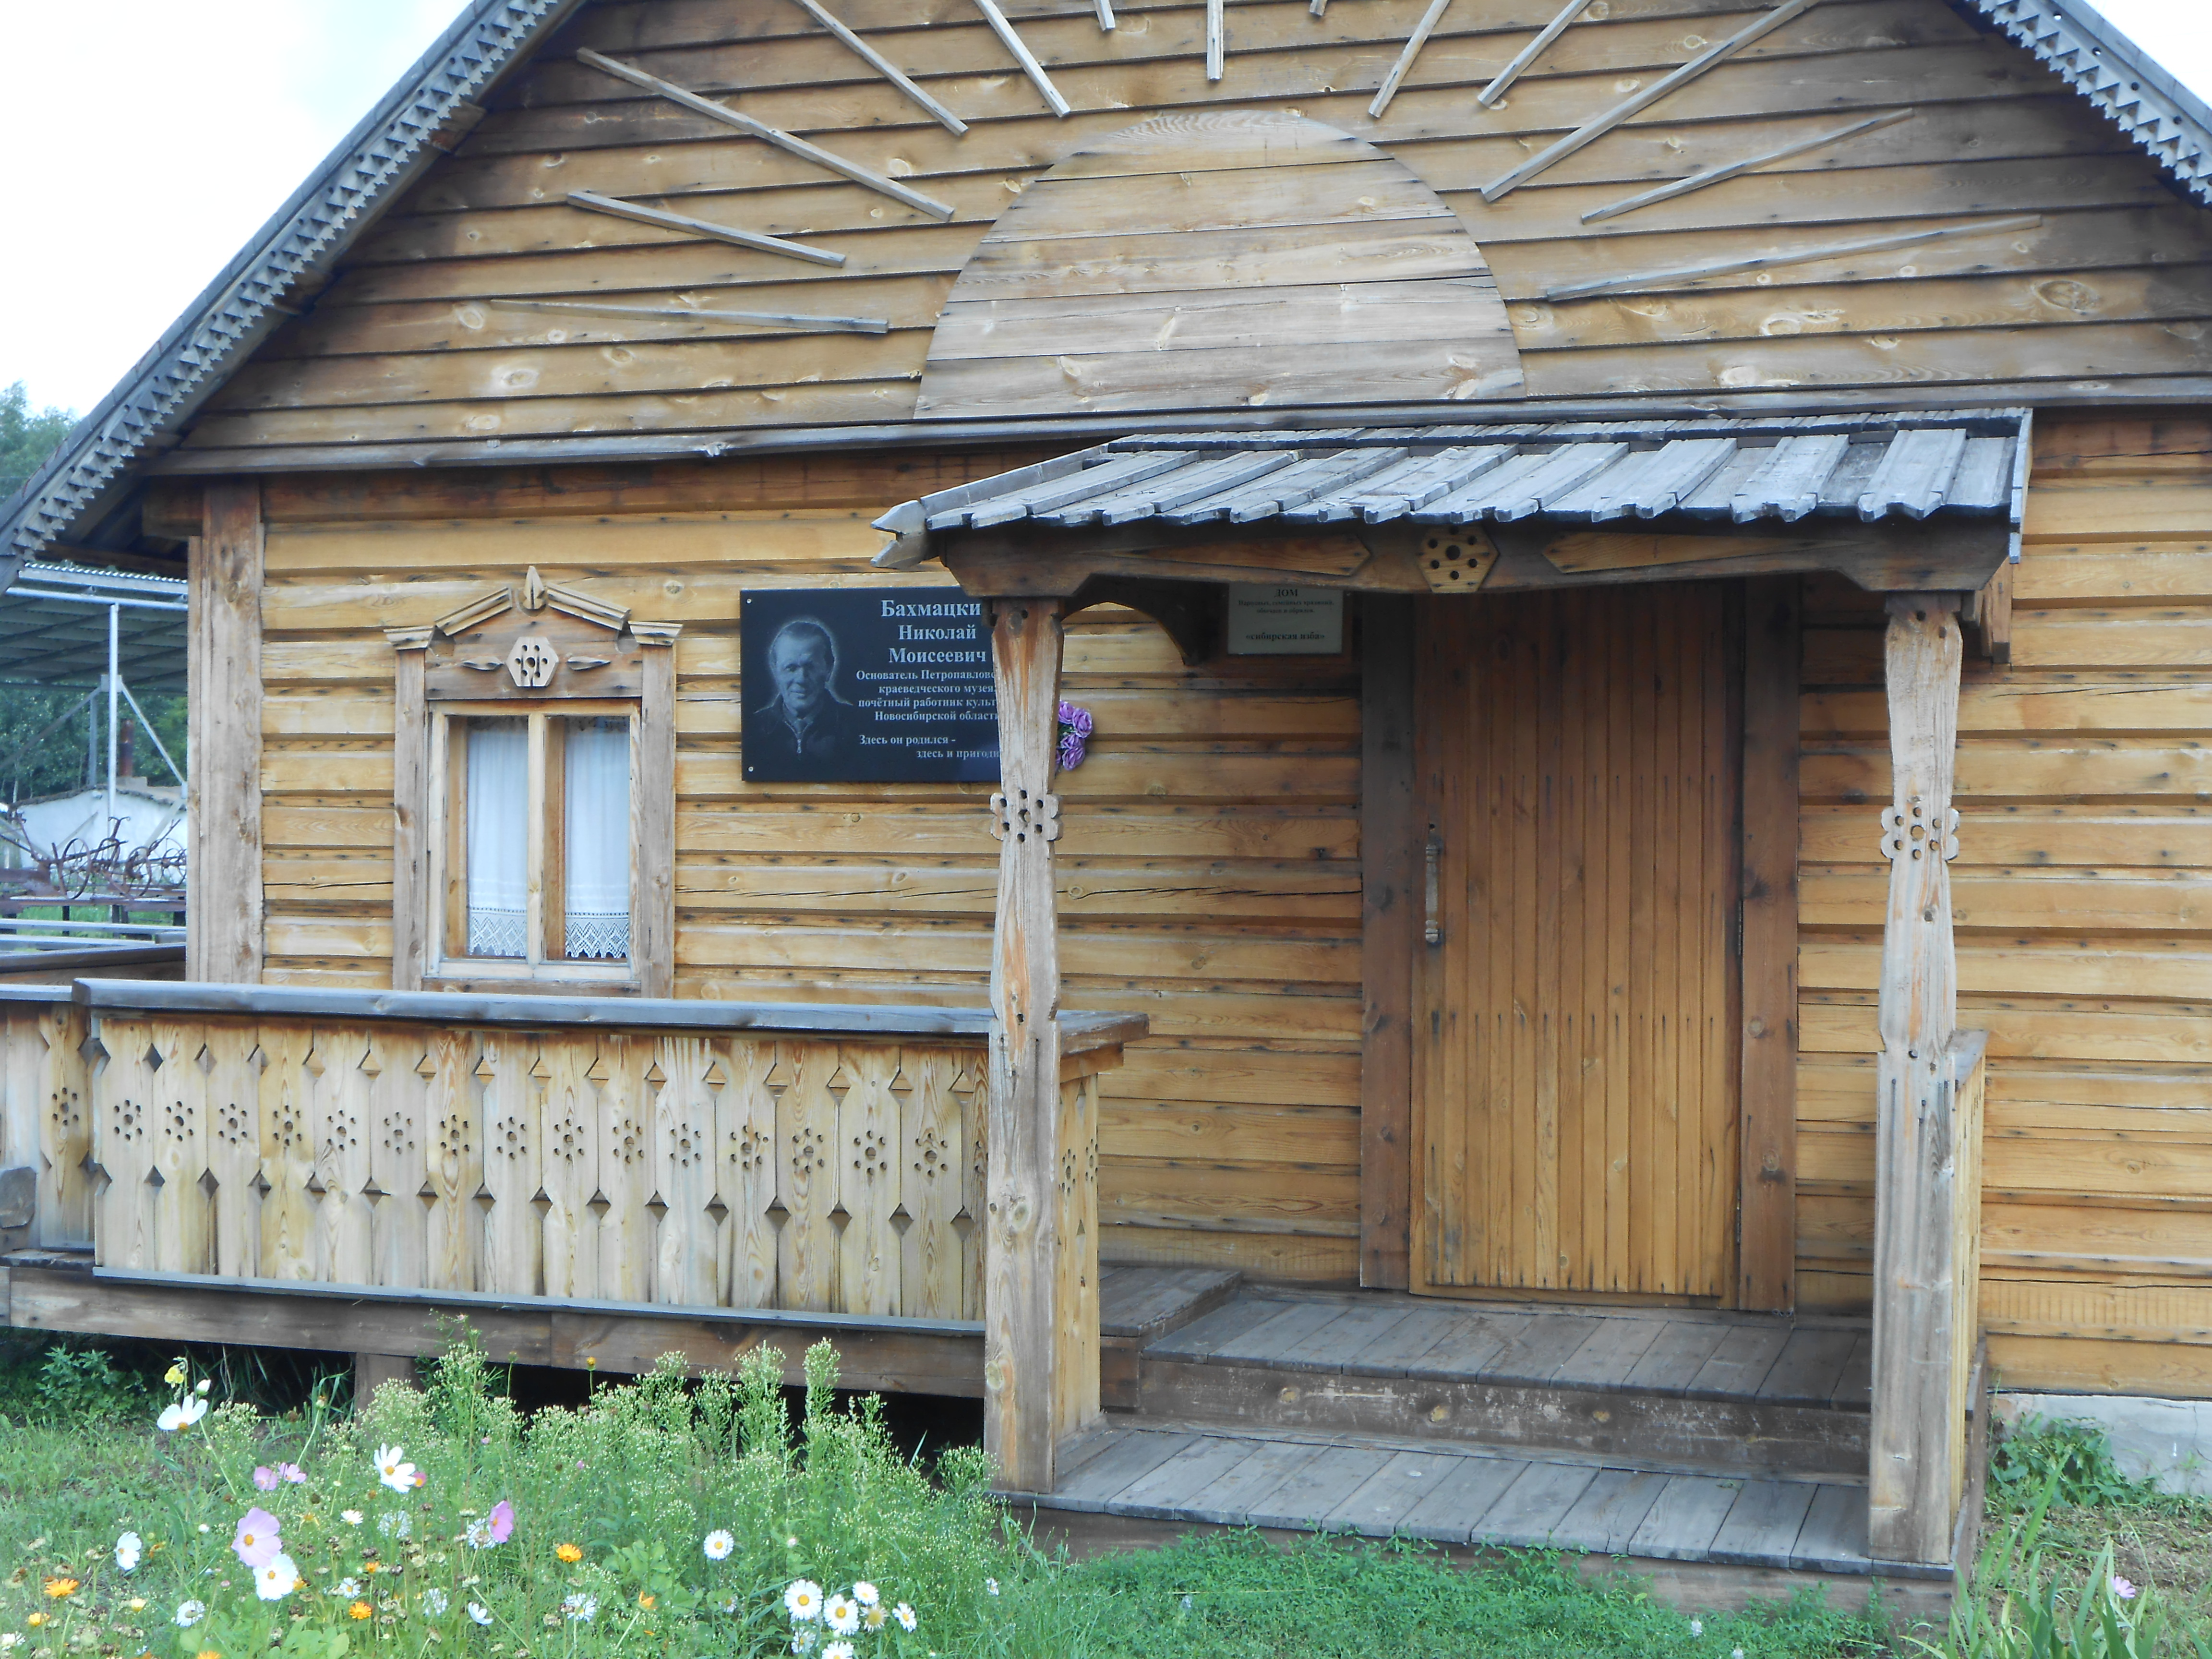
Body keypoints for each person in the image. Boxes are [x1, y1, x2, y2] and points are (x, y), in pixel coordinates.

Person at [751, 616, 864, 767]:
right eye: (791, 668)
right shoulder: (753, 728)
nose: (801, 679)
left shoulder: (858, 726)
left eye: (810, 667)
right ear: (775, 670)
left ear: (828, 669)